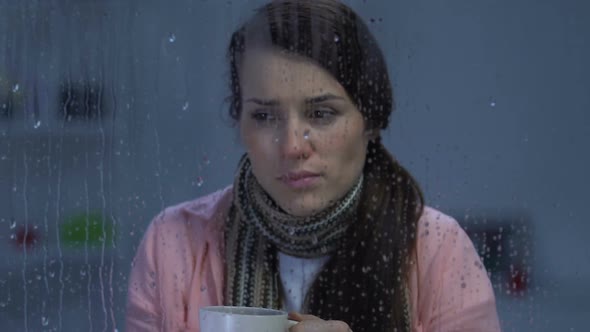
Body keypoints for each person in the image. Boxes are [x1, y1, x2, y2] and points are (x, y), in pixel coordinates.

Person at [126, 0, 501, 331]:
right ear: (239, 122)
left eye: (321, 113)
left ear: (369, 121)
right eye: (265, 116)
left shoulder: (438, 250)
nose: (292, 146)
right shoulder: (174, 242)